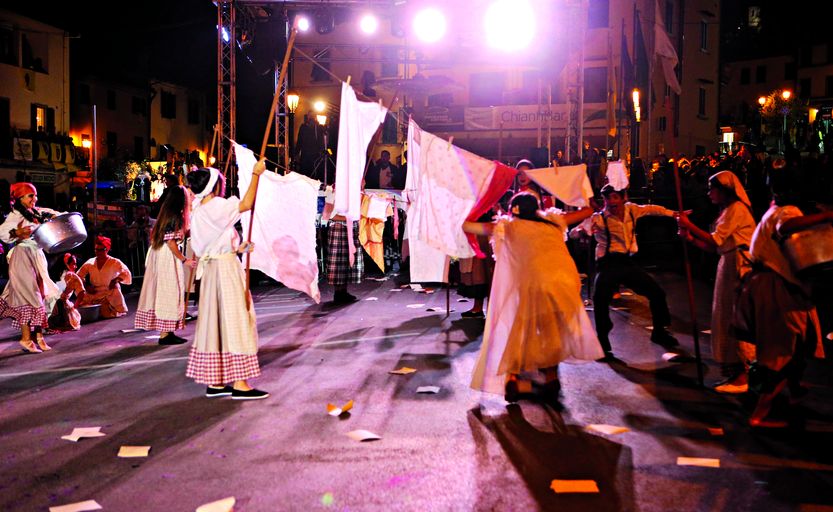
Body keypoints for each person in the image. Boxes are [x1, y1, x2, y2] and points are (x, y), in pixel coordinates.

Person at [465, 193, 602, 403]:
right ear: (537, 208)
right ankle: (550, 376)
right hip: (564, 281)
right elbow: (585, 212)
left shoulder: (508, 227)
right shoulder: (553, 223)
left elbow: (470, 227)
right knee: (551, 331)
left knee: (519, 330)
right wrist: (590, 202)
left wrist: (470, 209)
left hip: (532, 282)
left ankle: (513, 376)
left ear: (513, 210)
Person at [733, 170, 830, 427]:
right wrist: (829, 216)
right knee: (781, 350)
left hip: (769, 285)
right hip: (775, 288)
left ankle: (795, 390)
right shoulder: (786, 212)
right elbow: (786, 227)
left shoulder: (773, 210)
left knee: (798, 342)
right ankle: (759, 415)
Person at [185, 163, 268, 400]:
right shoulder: (217, 206)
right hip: (224, 270)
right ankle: (240, 383)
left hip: (212, 270)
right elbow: (246, 204)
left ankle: (217, 381)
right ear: (215, 186)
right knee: (237, 318)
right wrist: (255, 174)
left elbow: (213, 242)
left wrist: (237, 248)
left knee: (216, 322)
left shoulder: (199, 209)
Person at [579, 184, 678, 359]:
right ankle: (602, 343)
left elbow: (651, 209)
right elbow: (580, 229)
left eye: (615, 197)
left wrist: (674, 214)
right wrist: (580, 232)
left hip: (626, 262)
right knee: (600, 300)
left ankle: (659, 331)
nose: (610, 202)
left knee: (657, 293)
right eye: (607, 198)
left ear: (624, 198)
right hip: (607, 263)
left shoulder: (632, 210)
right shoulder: (599, 218)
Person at [678, 171, 756, 393]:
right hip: (728, 263)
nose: (709, 193)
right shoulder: (727, 211)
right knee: (723, 316)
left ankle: (743, 374)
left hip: (740, 267)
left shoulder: (738, 210)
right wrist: (691, 238)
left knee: (734, 317)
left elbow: (715, 239)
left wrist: (688, 224)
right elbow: (716, 248)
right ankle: (733, 370)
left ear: (725, 191)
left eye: (713, 188)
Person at [0, 182, 62, 352]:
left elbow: (56, 215)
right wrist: (17, 233)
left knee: (41, 294)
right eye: (30, 196)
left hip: (36, 256)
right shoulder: (15, 216)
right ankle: (26, 338)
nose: (34, 198)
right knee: (29, 296)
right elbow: (3, 233)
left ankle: (38, 337)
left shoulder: (35, 212)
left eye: (35, 195)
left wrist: (62, 217)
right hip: (22, 256)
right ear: (20, 198)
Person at [135, 186, 195, 345]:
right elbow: (170, 241)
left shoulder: (167, 214)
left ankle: (166, 332)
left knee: (166, 291)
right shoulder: (175, 216)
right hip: (167, 256)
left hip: (159, 254)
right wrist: (184, 259)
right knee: (170, 291)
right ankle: (165, 333)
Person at [76, 236, 132, 318]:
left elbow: (126, 273)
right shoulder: (90, 262)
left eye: (100, 250)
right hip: (94, 292)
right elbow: (78, 276)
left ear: (107, 250)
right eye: (96, 250)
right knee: (82, 301)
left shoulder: (114, 262)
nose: (98, 252)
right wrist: (86, 286)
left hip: (109, 291)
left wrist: (116, 280)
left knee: (115, 291)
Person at [48, 253, 86, 332]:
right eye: (74, 264)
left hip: (50, 307)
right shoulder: (71, 276)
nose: (76, 266)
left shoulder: (54, 275)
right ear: (66, 264)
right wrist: (75, 306)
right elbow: (82, 293)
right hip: (62, 309)